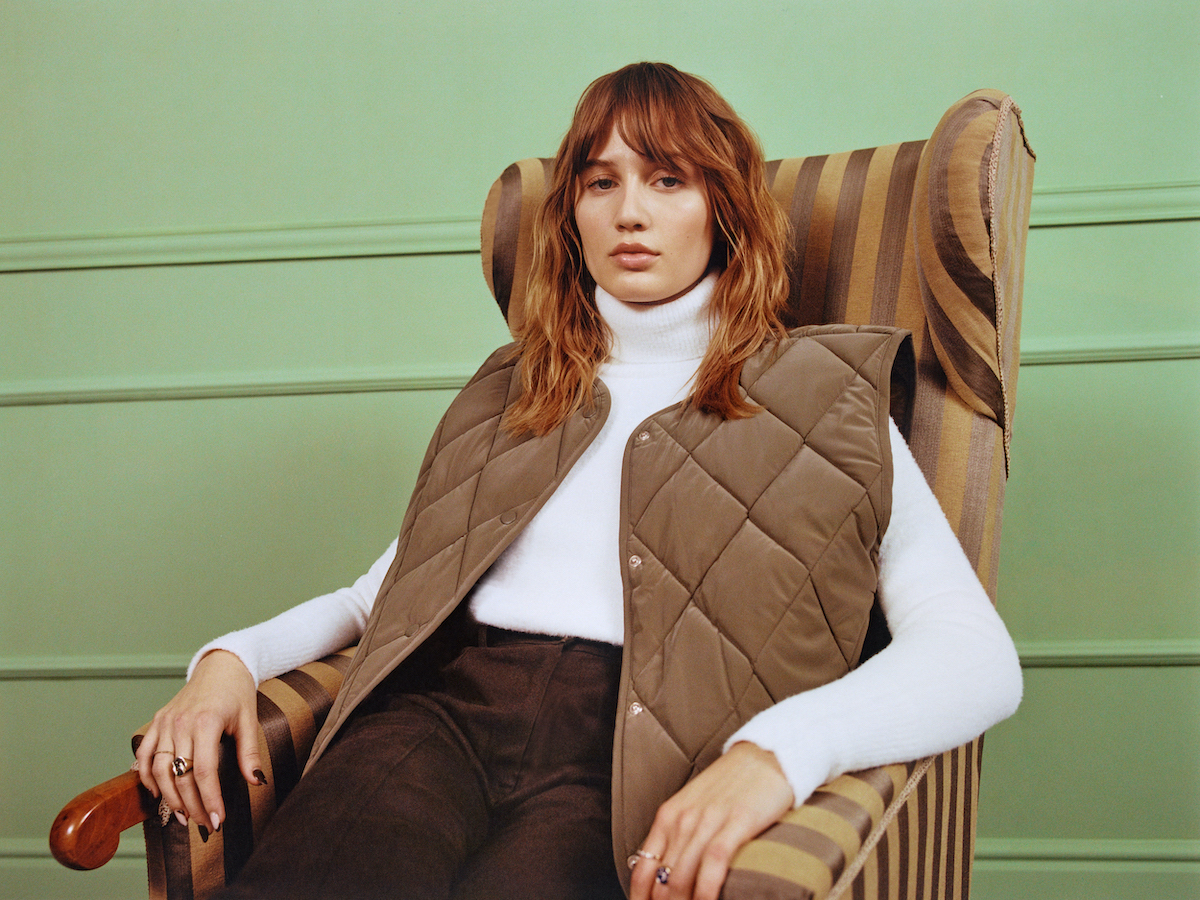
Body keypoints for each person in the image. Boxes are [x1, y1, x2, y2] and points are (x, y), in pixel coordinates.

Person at [134, 62, 1022, 900]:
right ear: (573, 217)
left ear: (722, 207)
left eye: (668, 180)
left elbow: (974, 656)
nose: (631, 212)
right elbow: (384, 594)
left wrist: (777, 754)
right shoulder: (511, 388)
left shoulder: (828, 395)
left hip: (628, 761)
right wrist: (230, 660)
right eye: (602, 183)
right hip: (439, 719)